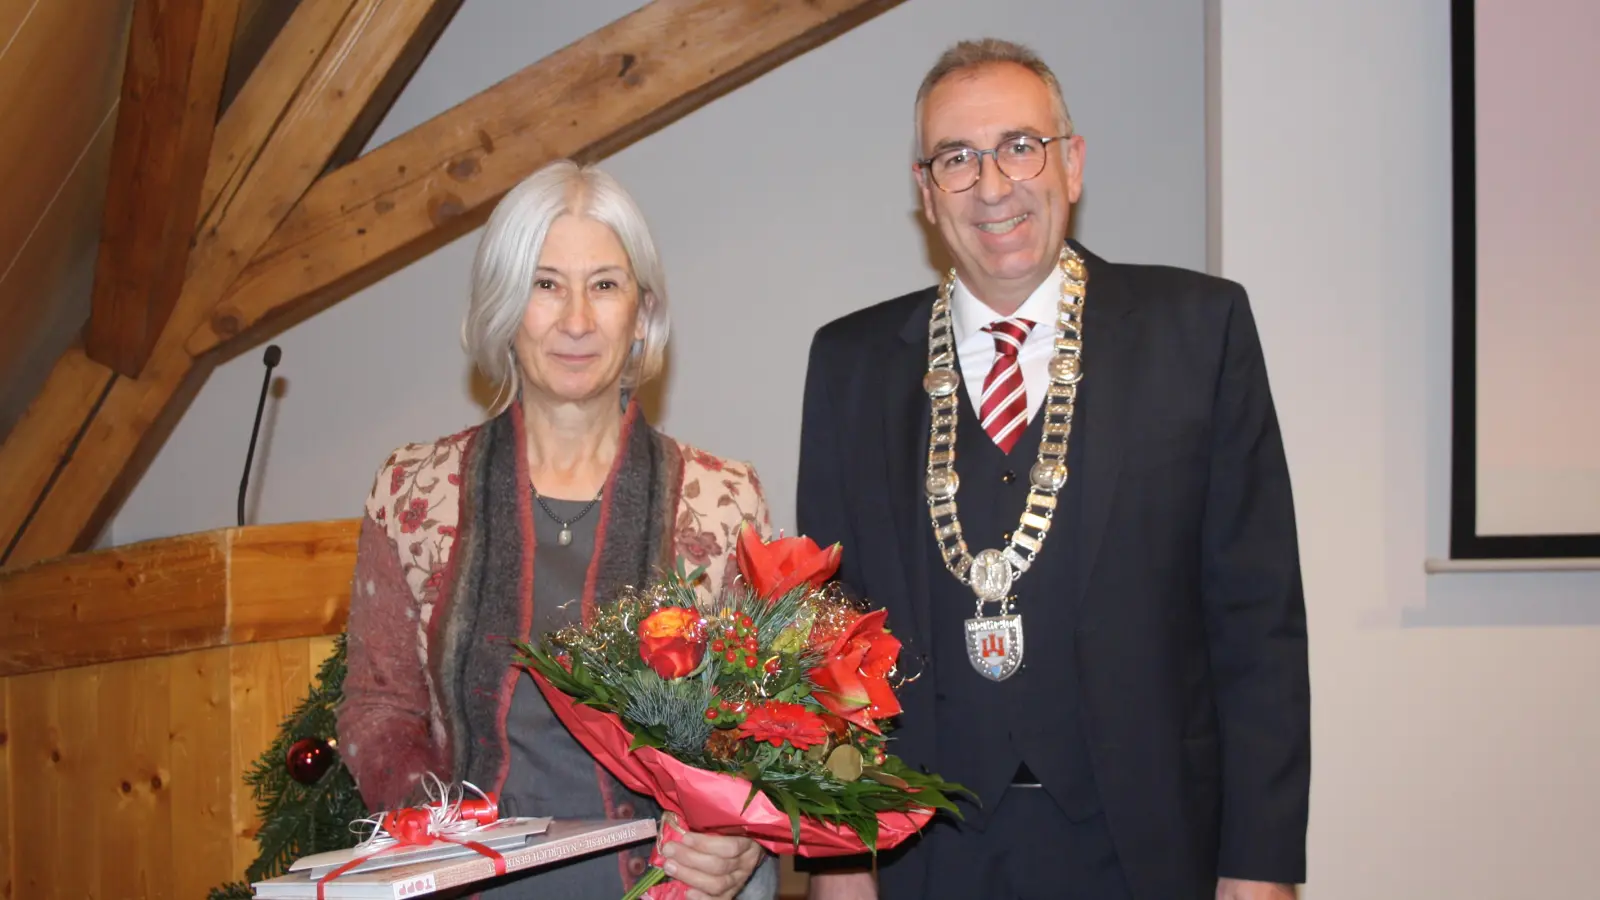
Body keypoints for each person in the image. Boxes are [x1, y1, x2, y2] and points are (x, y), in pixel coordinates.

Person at [796, 39, 1310, 900]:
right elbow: (828, 638)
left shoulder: (1198, 332)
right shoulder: (848, 363)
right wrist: (840, 864)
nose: (993, 185)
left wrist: (1259, 873)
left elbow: (1259, 626)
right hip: (922, 852)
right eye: (957, 159)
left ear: (1071, 164)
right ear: (925, 193)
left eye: (1020, 146)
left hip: (1146, 847)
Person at [337, 160, 777, 900]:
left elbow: (762, 721)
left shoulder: (722, 500)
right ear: (505, 308)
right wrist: (440, 835)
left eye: (604, 285)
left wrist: (734, 836)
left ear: (641, 314)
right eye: (546, 284)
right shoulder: (415, 494)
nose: (577, 319)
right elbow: (379, 712)